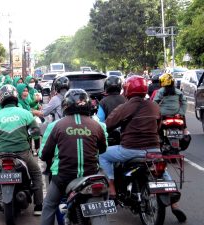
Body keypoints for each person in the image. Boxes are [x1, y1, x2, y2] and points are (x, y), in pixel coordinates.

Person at [99, 75, 187, 222]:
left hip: (130, 150)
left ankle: (112, 188)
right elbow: (158, 126)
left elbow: (107, 125)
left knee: (103, 155)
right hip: (154, 150)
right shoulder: (154, 106)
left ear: (127, 89)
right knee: (162, 170)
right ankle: (175, 204)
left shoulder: (124, 107)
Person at [39, 89, 107, 225]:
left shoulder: (58, 125)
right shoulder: (97, 125)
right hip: (91, 175)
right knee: (104, 196)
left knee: (49, 205)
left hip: (64, 176)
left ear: (66, 105)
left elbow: (44, 154)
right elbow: (103, 150)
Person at [0, 85, 43, 216]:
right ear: (16, 98)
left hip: (1, 154)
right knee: (36, 172)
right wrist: (30, 136)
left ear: (1, 100)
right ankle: (39, 205)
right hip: (23, 153)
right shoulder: (26, 113)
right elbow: (35, 133)